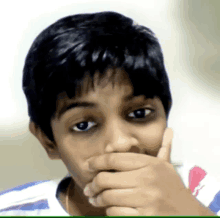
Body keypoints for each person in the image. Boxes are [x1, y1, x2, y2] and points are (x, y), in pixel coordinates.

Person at [0, 11, 219, 216]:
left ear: (165, 110)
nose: (121, 143)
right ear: (48, 140)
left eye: (140, 113)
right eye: (83, 125)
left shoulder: (200, 192)